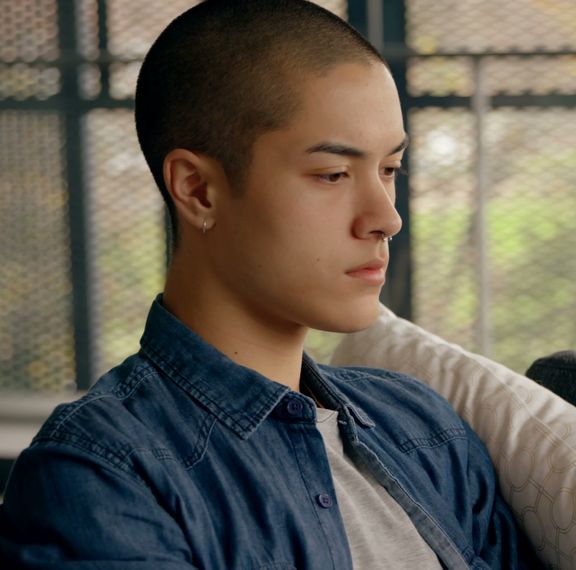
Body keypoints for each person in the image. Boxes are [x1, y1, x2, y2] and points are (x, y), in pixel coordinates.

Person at [0, 1, 540, 568]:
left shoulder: (423, 425)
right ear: (198, 191)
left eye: (389, 170)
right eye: (332, 175)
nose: (385, 217)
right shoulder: (104, 471)